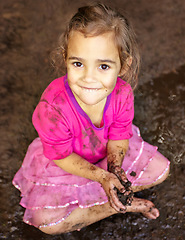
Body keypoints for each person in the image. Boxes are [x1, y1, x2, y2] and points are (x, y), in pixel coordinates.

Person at [12, 3, 170, 235]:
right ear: (65, 58)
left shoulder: (122, 93)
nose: (89, 78)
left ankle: (110, 194)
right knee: (47, 222)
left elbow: (118, 136)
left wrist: (115, 168)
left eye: (103, 66)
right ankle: (117, 205)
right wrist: (101, 176)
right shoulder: (52, 108)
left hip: (105, 158)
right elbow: (63, 156)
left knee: (161, 171)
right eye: (78, 64)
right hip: (67, 166)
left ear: (122, 66)